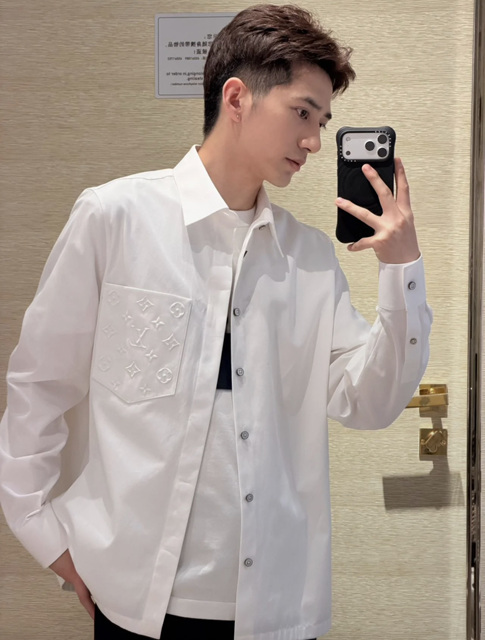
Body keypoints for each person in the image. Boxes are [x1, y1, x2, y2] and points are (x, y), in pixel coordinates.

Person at [0, 4, 432, 640]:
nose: (315, 142)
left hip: (276, 610)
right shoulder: (115, 218)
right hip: (134, 603)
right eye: (303, 113)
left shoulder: (310, 259)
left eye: (322, 122)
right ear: (237, 98)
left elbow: (369, 402)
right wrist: (41, 530)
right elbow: (40, 383)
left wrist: (403, 271)